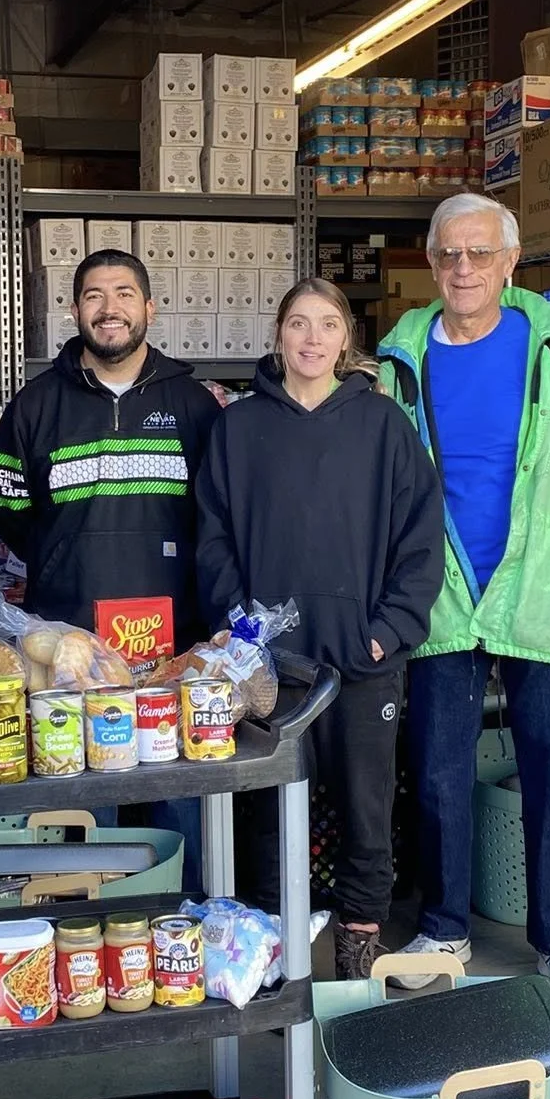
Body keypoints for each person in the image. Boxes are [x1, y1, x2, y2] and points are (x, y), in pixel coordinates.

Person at [378, 193, 550, 986]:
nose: (464, 268)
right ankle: (444, 928)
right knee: (437, 775)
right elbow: (376, 487)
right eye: (449, 254)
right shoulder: (400, 359)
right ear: (431, 263)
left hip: (545, 591)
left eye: (480, 254)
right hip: (443, 596)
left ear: (510, 262)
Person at [196, 278, 445, 979]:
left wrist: (392, 625)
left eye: (327, 325)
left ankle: (359, 950)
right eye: (298, 324)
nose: (311, 338)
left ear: (346, 341)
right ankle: (274, 959)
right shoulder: (239, 429)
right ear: (278, 335)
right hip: (268, 669)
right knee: (272, 813)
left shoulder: (383, 426)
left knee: (368, 807)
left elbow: (422, 537)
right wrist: (237, 629)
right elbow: (211, 536)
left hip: (363, 657)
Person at [0, 249, 222, 641]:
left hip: (177, 634)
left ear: (150, 308)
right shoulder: (35, 404)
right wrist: (62, 554)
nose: (110, 309)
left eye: (125, 294)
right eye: (95, 296)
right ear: (75, 311)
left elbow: (218, 515)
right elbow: (6, 504)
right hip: (65, 633)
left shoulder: (194, 405)